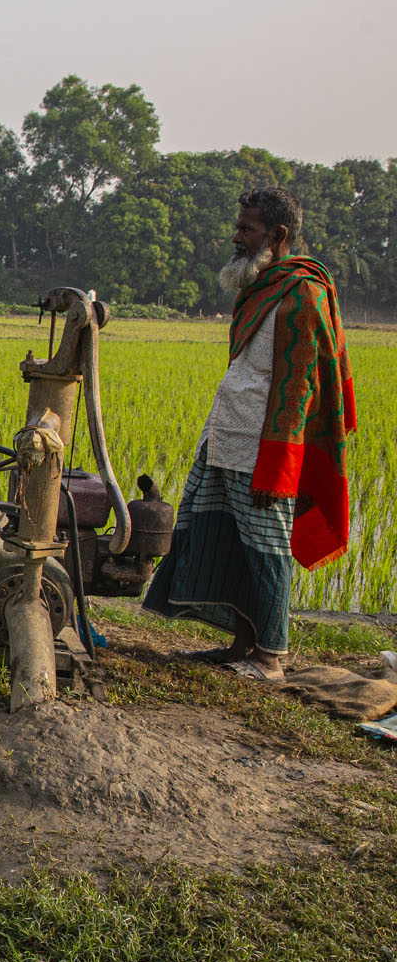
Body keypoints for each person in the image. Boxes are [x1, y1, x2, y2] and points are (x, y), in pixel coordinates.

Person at [143, 186, 357, 681]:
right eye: (239, 227)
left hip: (266, 450)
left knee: (267, 549)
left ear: (278, 235)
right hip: (227, 435)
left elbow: (298, 386)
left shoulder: (303, 293)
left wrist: (278, 467)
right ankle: (242, 644)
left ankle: (271, 658)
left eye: (248, 229)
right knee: (228, 540)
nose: (236, 236)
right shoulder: (262, 286)